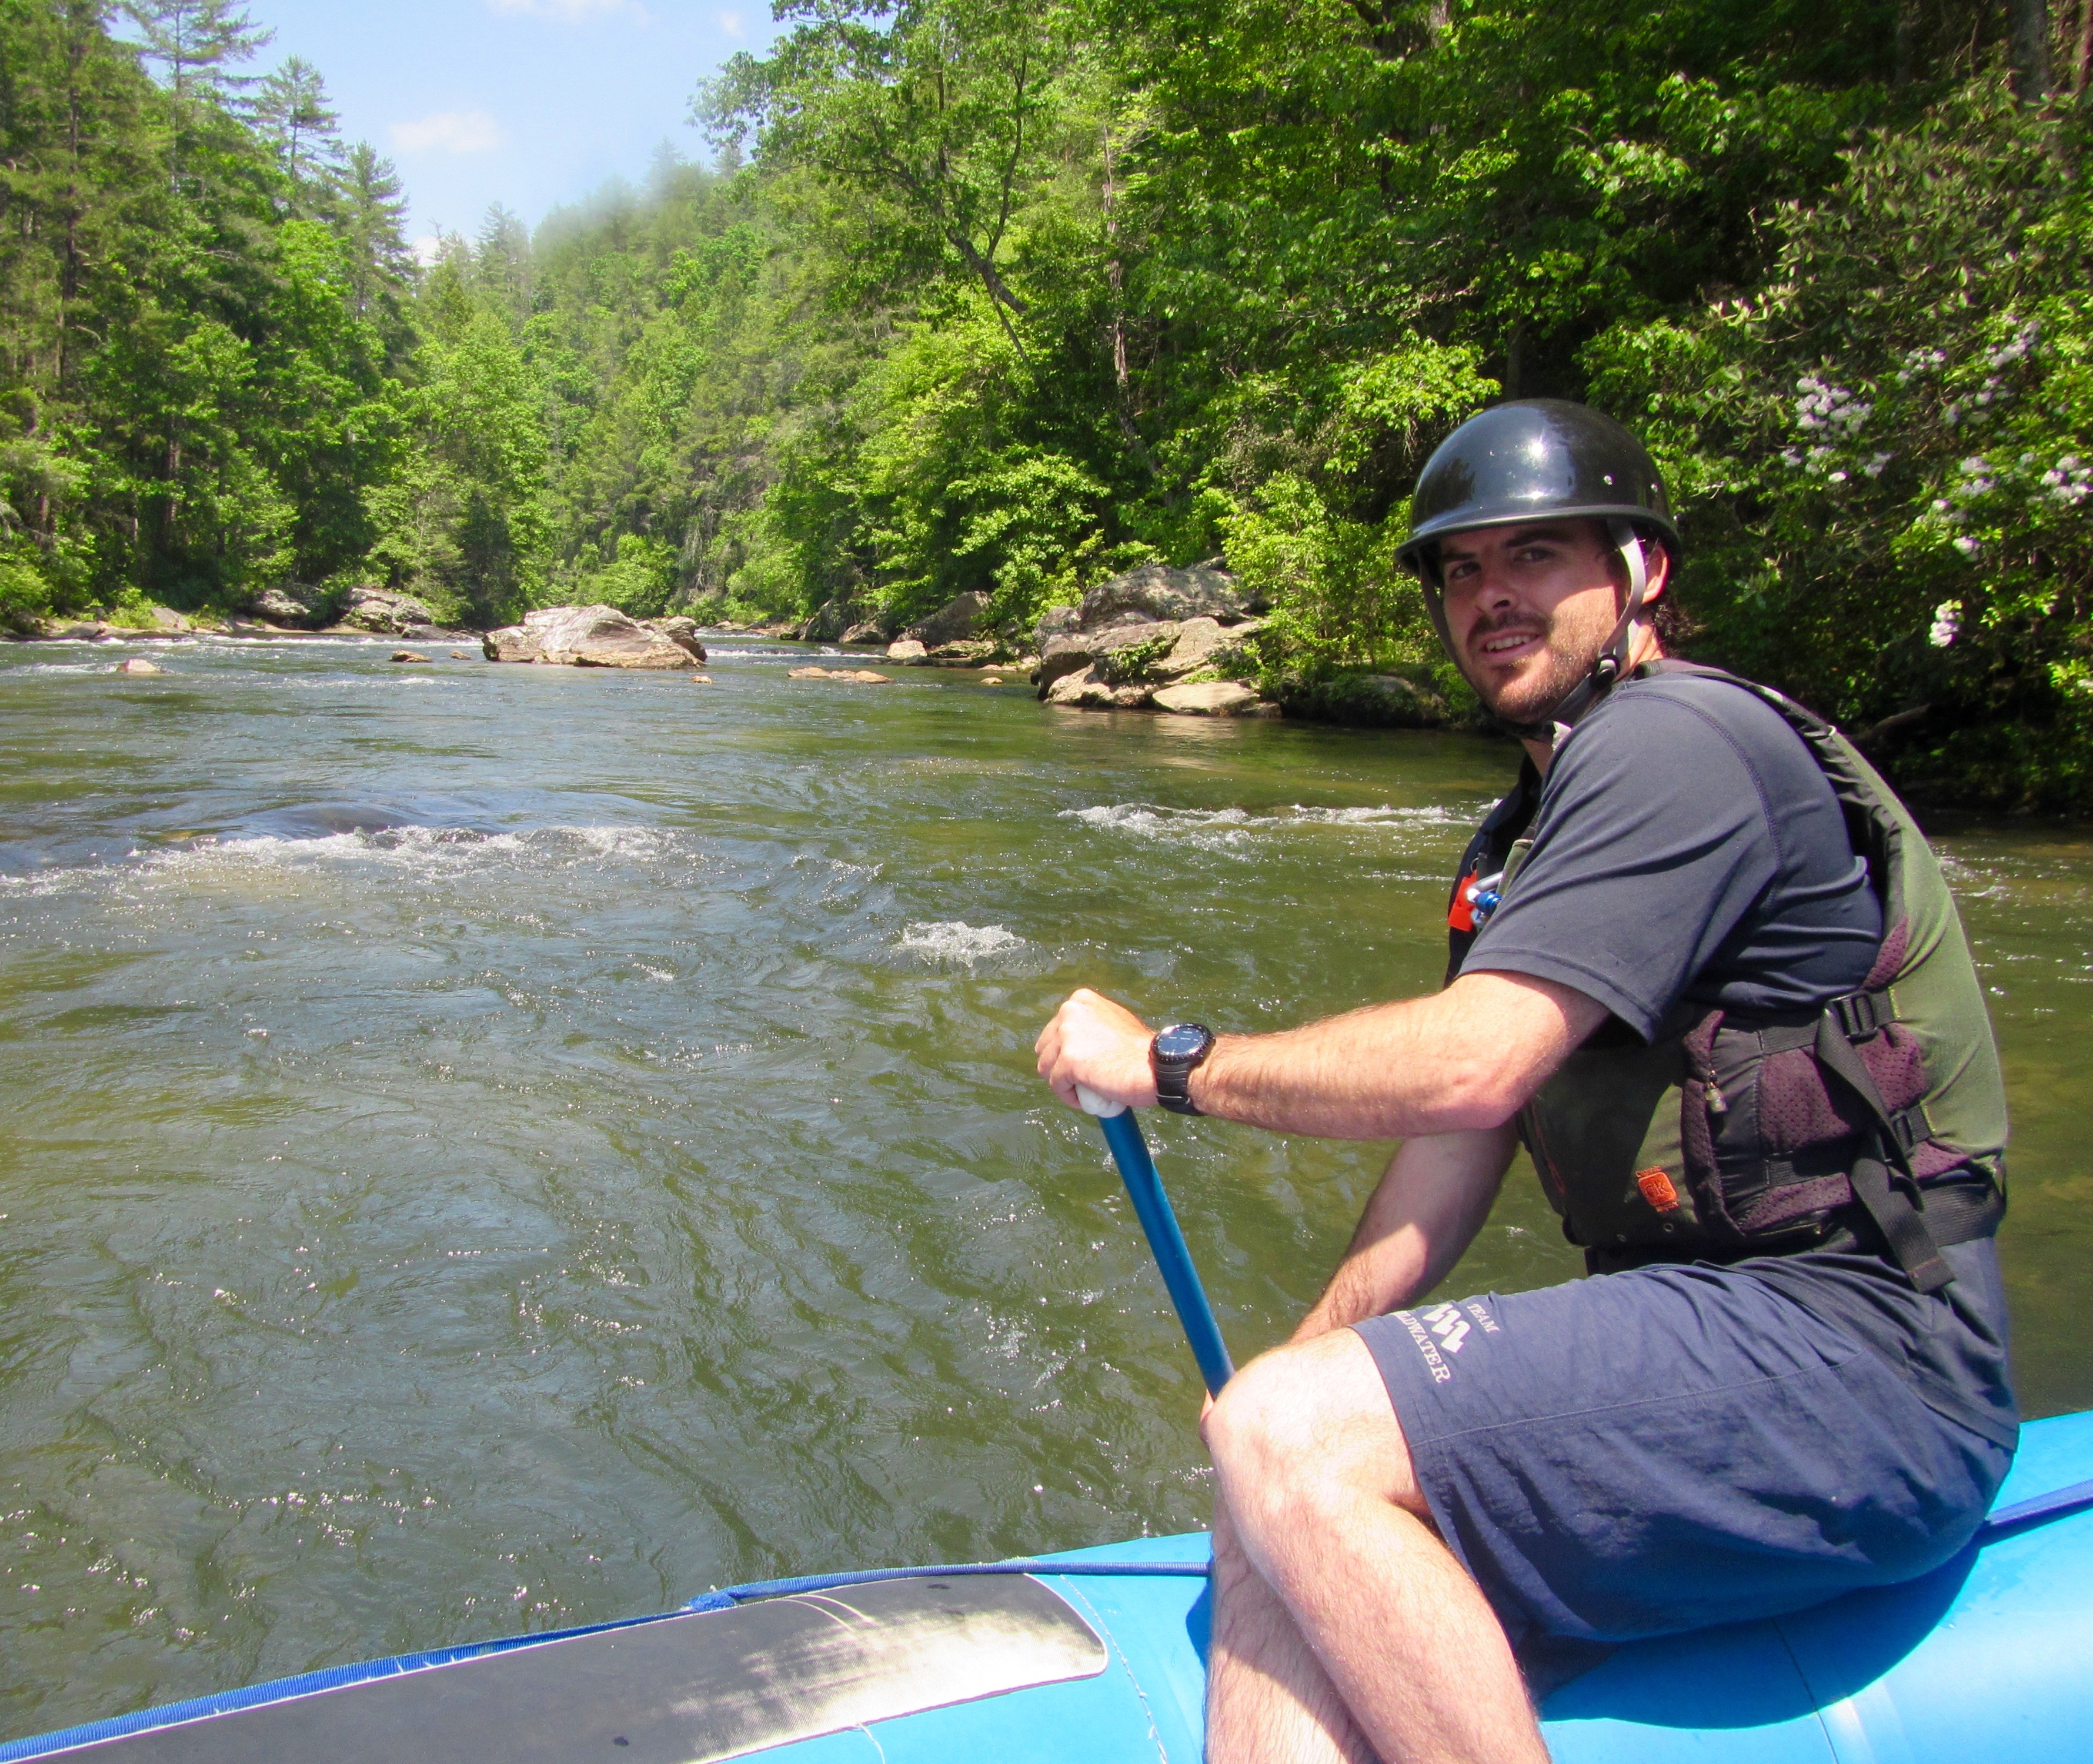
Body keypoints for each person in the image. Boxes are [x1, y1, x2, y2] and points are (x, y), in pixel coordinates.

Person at [1034, 399, 2015, 1764]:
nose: (1490, 596)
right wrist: (1310, 1348)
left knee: (1284, 1438)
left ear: (1641, 572)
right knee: (1261, 1475)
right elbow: (1473, 1129)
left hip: (1858, 1358)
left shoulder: (1676, 748)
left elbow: (1470, 1059)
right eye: (1461, 569)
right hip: (1712, 1330)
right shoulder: (1525, 836)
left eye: (1535, 557)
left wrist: (1167, 1064)